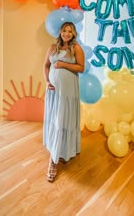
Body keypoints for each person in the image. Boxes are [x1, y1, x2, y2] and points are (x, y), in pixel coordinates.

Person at [43, 21, 85, 182]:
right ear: (60, 32)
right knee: (56, 120)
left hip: (68, 93)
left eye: (70, 31)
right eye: (64, 31)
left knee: (64, 120)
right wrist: (47, 81)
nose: (67, 33)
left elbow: (81, 68)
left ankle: (62, 152)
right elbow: (46, 66)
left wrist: (63, 65)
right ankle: (53, 159)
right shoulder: (52, 48)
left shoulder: (76, 49)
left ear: (73, 34)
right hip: (54, 92)